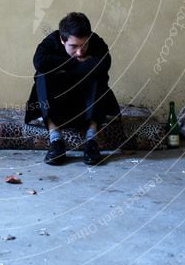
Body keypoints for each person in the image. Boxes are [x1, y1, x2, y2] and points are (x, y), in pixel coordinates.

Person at [25, 12, 120, 165]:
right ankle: (56, 141)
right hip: (57, 106)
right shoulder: (51, 41)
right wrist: (77, 64)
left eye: (84, 46)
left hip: (87, 106)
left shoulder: (96, 41)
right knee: (42, 75)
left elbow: (104, 64)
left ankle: (91, 141)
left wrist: (61, 68)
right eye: (74, 46)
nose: (80, 52)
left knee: (98, 76)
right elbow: (39, 62)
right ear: (62, 40)